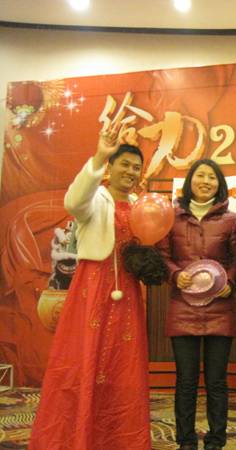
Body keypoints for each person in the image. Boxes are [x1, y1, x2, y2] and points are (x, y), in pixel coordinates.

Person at [28, 128, 151, 449]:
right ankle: (79, 436)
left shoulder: (140, 204)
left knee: (123, 365)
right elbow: (73, 201)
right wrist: (98, 156)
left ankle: (118, 439)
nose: (131, 172)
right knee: (85, 360)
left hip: (127, 291)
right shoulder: (96, 198)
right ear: (110, 167)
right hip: (93, 288)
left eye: (136, 167)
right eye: (125, 164)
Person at [156, 159, 236, 450]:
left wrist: (230, 282)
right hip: (183, 307)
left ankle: (216, 441)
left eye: (212, 177)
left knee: (217, 381)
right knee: (186, 381)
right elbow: (162, 256)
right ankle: (186, 441)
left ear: (219, 184)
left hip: (220, 308)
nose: (206, 181)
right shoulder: (171, 216)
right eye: (200, 175)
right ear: (190, 181)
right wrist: (174, 275)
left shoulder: (231, 219)